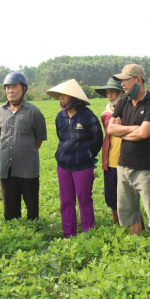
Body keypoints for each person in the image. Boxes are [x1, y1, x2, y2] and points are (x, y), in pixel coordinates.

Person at [107, 64, 150, 256]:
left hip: (144, 167)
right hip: (123, 165)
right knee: (128, 209)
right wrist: (134, 129)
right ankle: (138, 247)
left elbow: (144, 133)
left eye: (126, 80)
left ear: (138, 80)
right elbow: (110, 129)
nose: (123, 85)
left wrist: (124, 130)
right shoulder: (123, 102)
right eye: (122, 81)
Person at [48, 79, 103, 237]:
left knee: (84, 199)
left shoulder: (87, 116)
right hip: (63, 165)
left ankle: (88, 232)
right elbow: (60, 136)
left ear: (74, 97)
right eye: (60, 95)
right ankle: (68, 233)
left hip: (83, 166)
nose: (61, 98)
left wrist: (88, 155)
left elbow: (97, 139)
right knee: (66, 201)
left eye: (65, 95)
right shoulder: (60, 117)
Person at [0, 72, 47, 220]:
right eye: (7, 87)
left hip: (28, 167)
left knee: (32, 207)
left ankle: (33, 229)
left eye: (14, 87)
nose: (10, 91)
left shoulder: (34, 112)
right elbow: (0, 136)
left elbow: (39, 139)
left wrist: (26, 151)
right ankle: (13, 230)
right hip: (6, 166)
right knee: (9, 209)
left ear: (24, 89)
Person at [96, 78, 125, 223]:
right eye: (107, 92)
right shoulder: (105, 114)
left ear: (120, 92)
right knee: (111, 195)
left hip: (126, 160)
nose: (109, 95)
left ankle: (137, 225)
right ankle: (117, 222)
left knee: (128, 196)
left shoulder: (129, 110)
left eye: (112, 91)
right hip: (110, 161)